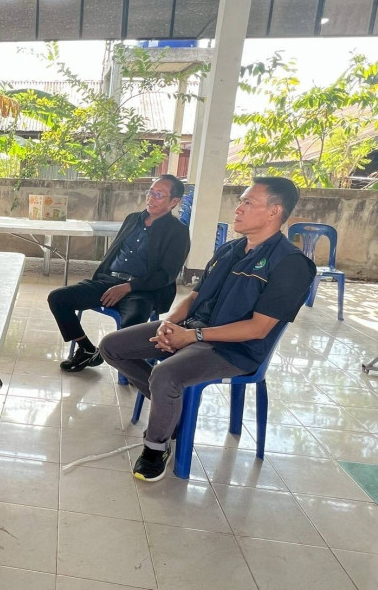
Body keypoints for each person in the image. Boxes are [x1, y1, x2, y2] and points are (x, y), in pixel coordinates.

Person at [100, 176, 316, 482]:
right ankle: (171, 407)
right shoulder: (229, 249)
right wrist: (170, 323)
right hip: (193, 329)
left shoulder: (291, 264)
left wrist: (194, 336)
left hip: (234, 349)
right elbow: (194, 297)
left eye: (247, 202)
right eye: (241, 201)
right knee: (112, 346)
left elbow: (258, 328)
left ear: (274, 212)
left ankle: (156, 447)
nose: (238, 208)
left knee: (165, 375)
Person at [48, 175, 191, 373]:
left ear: (173, 202)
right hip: (109, 281)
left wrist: (128, 287)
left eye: (159, 195)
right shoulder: (133, 219)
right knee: (58, 298)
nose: (151, 198)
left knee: (132, 325)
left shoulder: (178, 232)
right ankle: (87, 350)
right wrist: (107, 280)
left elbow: (166, 275)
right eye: (150, 192)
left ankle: (135, 371)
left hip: (142, 291)